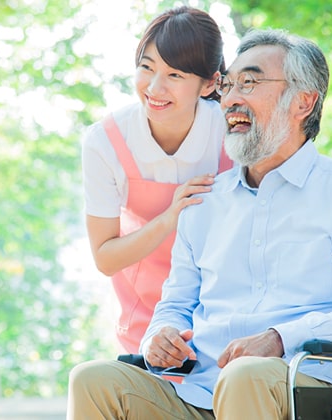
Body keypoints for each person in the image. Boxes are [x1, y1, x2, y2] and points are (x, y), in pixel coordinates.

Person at [69, 27, 332, 419]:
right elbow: (175, 304)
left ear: (303, 102)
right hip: (200, 393)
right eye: (229, 85)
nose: (231, 99)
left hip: (303, 392)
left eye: (251, 83)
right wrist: (162, 336)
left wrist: (281, 338)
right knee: (93, 379)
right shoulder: (203, 203)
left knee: (245, 377)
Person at [82, 6, 232, 354]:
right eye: (147, 67)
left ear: (209, 82)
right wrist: (170, 218)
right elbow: (105, 258)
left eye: (175, 75)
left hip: (222, 310)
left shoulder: (229, 132)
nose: (154, 87)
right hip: (144, 319)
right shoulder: (105, 141)